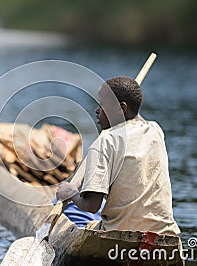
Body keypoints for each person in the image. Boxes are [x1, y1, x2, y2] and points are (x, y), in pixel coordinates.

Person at [56, 76, 180, 236]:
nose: (97, 110)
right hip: (164, 233)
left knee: (72, 222)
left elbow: (92, 206)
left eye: (102, 104)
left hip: (118, 234)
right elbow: (135, 117)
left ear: (122, 108)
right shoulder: (155, 130)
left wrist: (70, 193)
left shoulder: (104, 141)